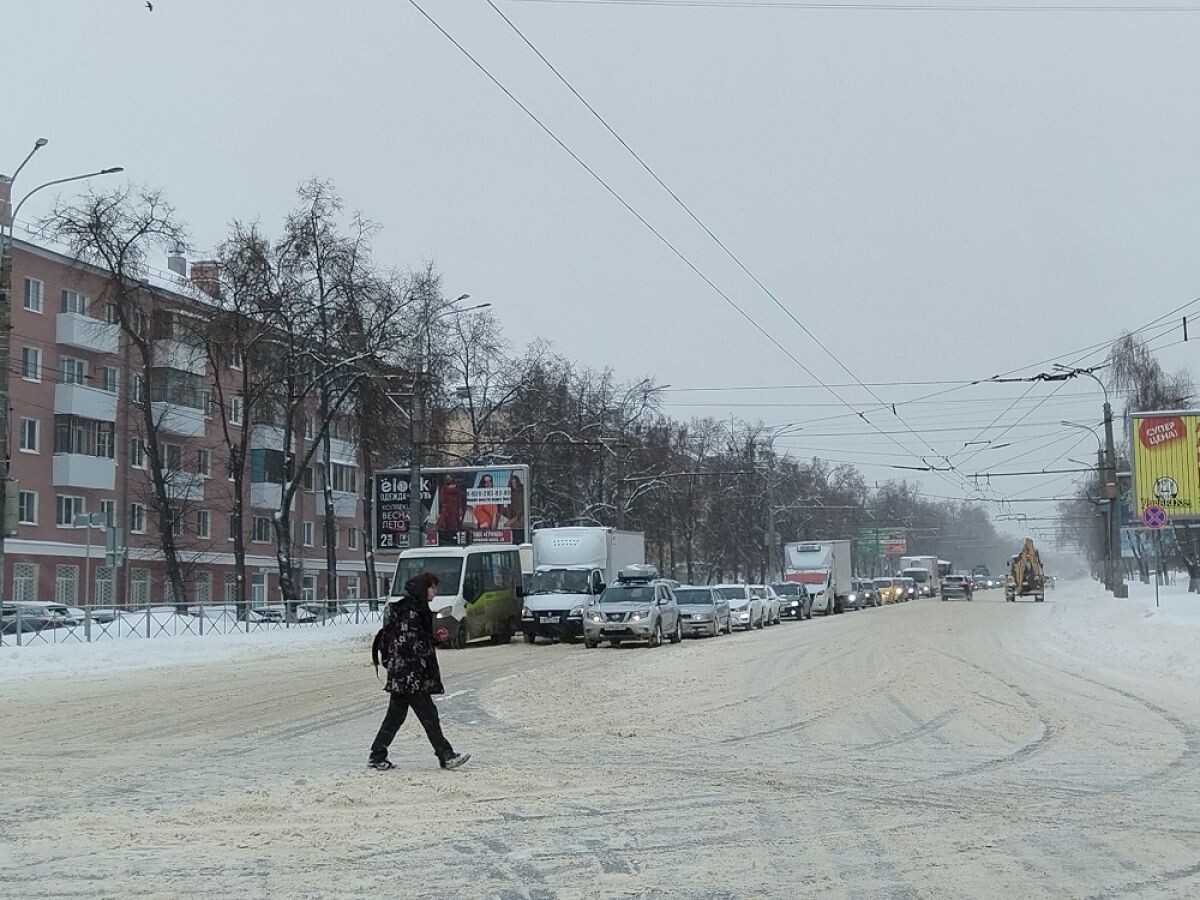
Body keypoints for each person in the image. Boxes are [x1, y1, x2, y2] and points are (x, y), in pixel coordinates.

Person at [368, 572, 470, 771]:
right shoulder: (412, 611)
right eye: (433, 587)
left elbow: (413, 640)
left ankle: (377, 755)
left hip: (402, 674)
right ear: (424, 589)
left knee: (395, 717)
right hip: (411, 676)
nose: (436, 591)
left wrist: (434, 639)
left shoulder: (412, 609)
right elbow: (409, 644)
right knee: (429, 716)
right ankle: (446, 755)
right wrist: (424, 656)